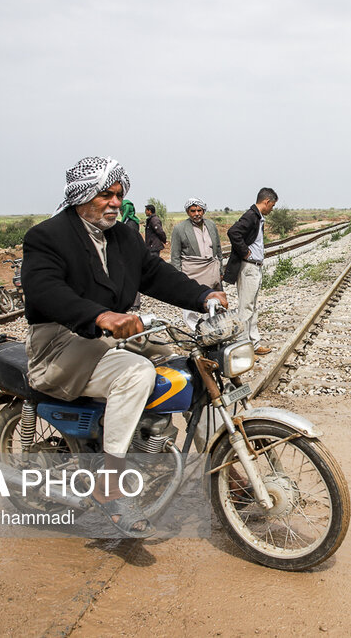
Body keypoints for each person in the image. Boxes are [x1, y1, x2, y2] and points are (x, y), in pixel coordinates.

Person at [21, 156, 227, 536]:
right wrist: (102, 317)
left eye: (119, 194)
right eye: (106, 194)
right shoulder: (47, 236)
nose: (115, 202)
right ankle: (110, 486)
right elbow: (45, 290)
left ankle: (223, 463)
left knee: (188, 365)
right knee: (136, 373)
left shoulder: (122, 236)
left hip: (110, 337)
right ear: (82, 195)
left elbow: (155, 274)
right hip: (60, 342)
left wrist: (202, 296)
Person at [224, 187, 278, 356]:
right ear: (266, 202)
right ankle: (242, 346)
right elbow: (233, 232)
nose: (272, 209)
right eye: (272, 205)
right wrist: (244, 251)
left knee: (252, 308)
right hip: (248, 267)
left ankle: (253, 343)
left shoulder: (257, 217)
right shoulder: (251, 215)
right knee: (246, 308)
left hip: (254, 268)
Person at [170, 197, 223, 290]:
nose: (197, 214)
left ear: (203, 211)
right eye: (193, 211)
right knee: (194, 300)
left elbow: (218, 249)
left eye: (199, 210)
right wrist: (179, 277)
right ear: (188, 212)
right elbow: (175, 256)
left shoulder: (211, 225)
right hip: (192, 274)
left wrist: (221, 270)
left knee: (215, 299)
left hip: (212, 271)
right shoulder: (180, 229)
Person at [120, 199, 143, 310]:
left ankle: (134, 303)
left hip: (131, 256)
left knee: (132, 279)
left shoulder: (130, 224)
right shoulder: (131, 222)